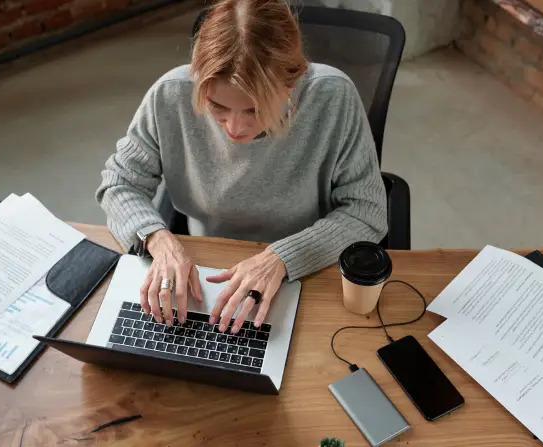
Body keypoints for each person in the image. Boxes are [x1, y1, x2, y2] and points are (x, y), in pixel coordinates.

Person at [97, 0, 387, 336]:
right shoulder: (170, 95)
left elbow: (367, 212)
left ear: (291, 84)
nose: (234, 129)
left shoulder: (334, 98)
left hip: (305, 269)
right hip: (204, 268)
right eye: (217, 106)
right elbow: (119, 183)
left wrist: (280, 259)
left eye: (253, 110)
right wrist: (157, 240)